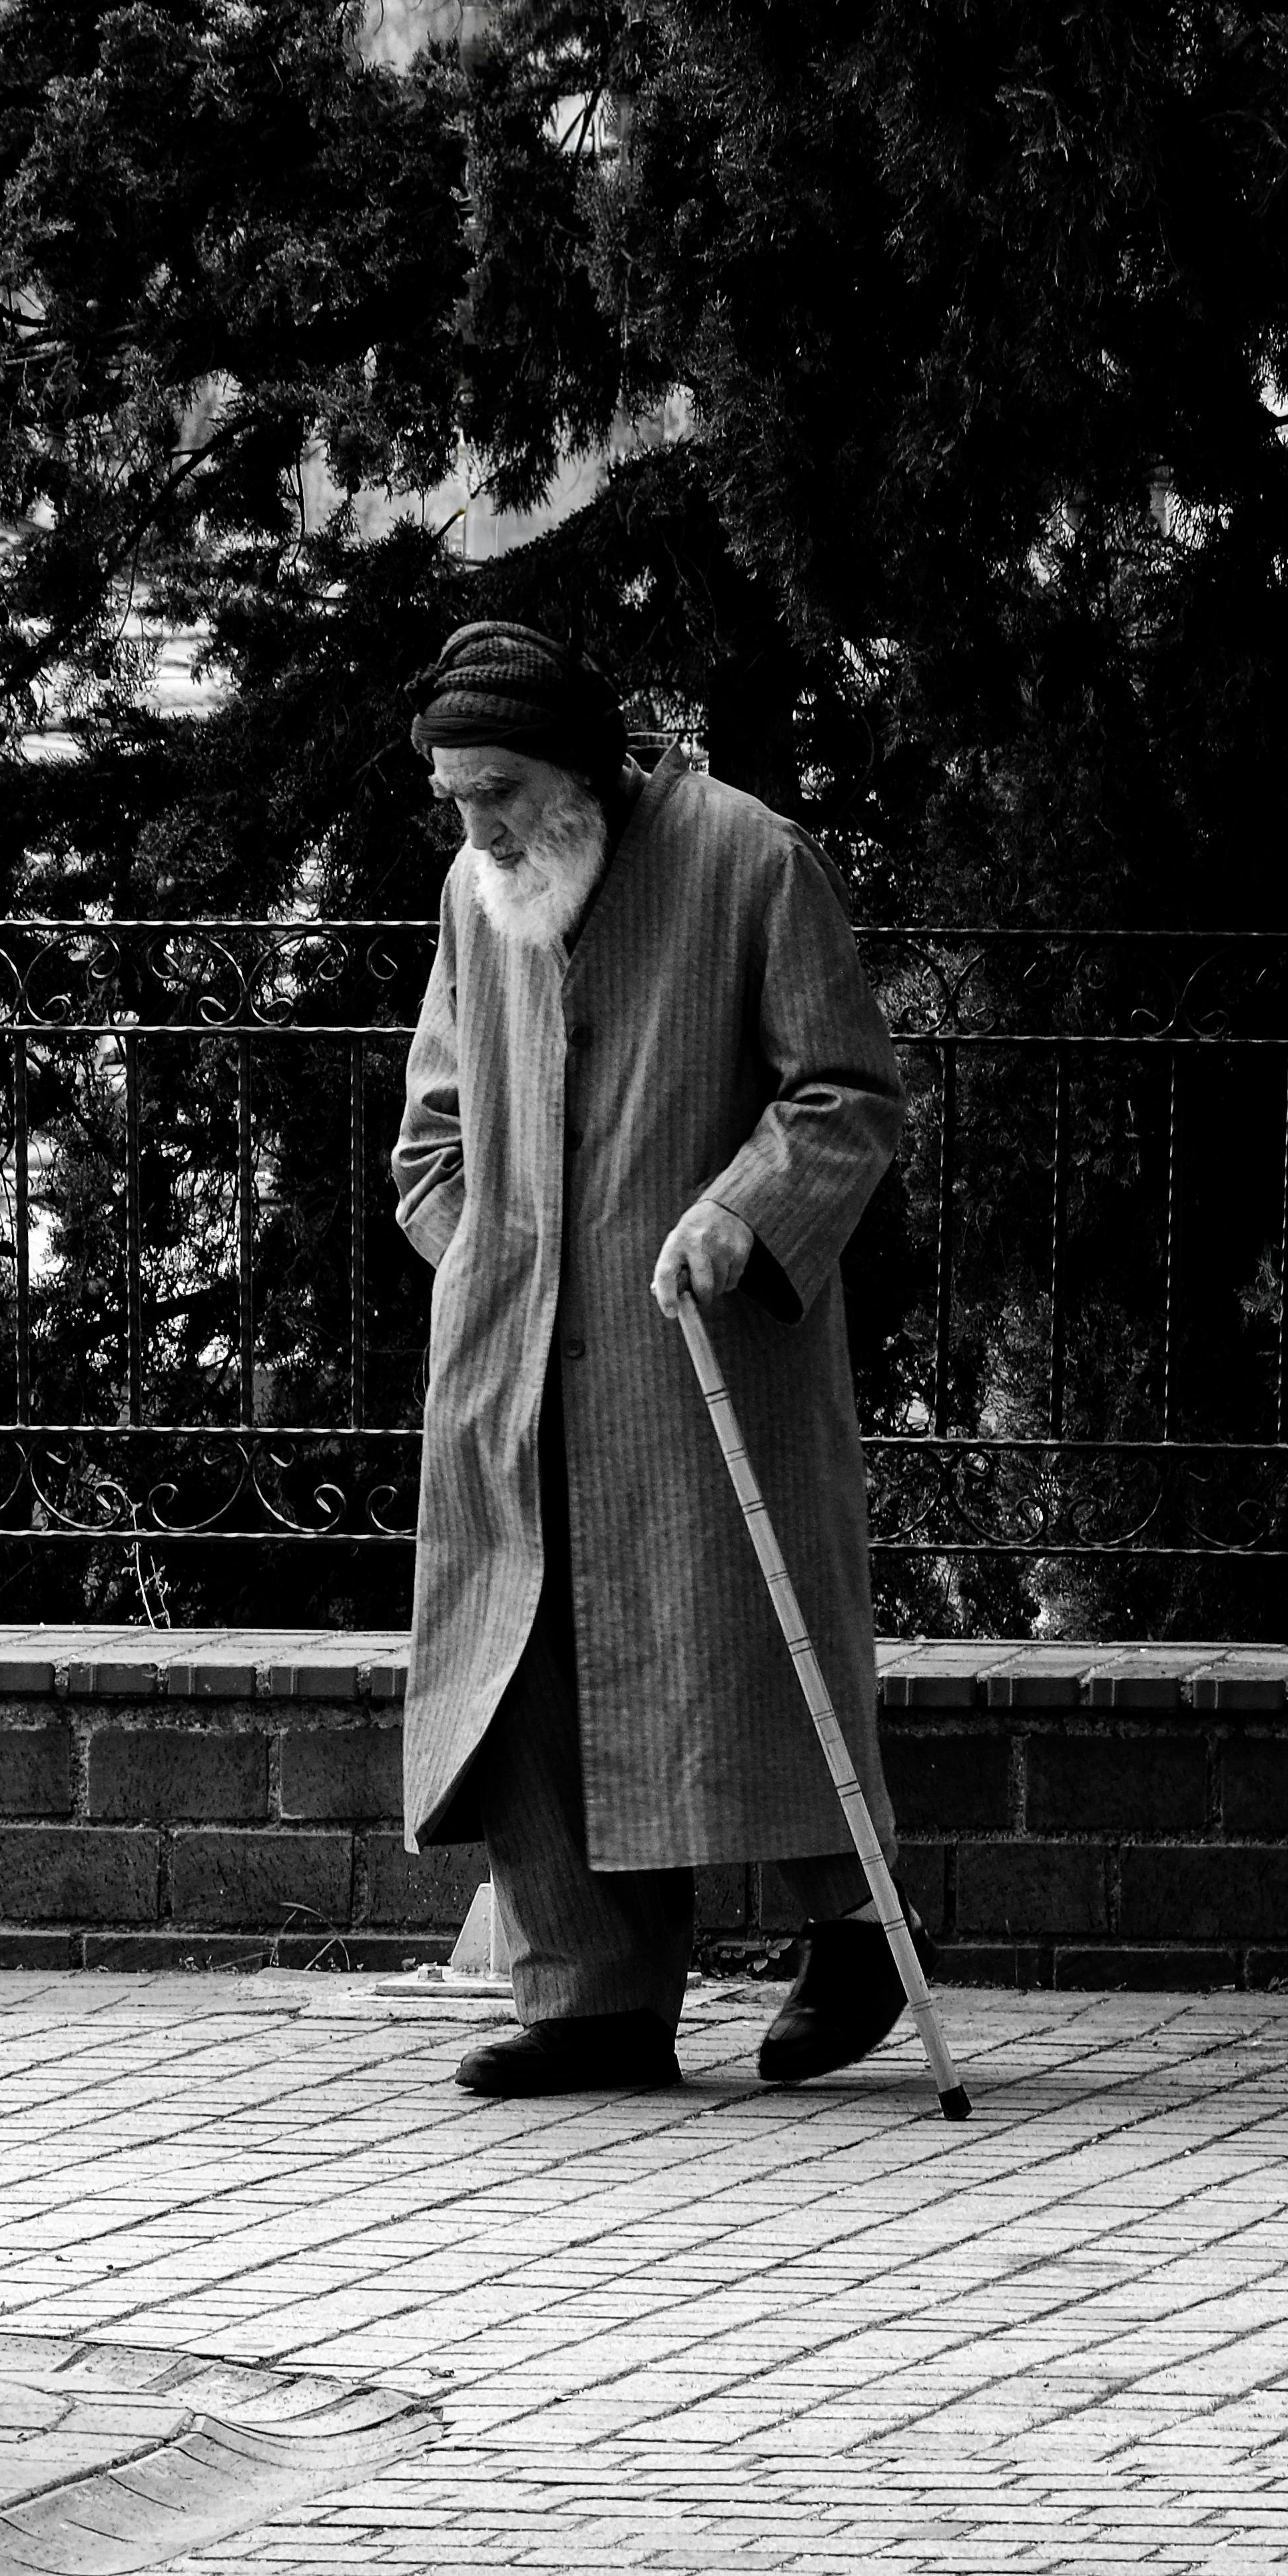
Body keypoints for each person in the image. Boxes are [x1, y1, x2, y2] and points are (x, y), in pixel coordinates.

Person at [392, 616, 919, 2099]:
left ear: (575, 767)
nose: (478, 825)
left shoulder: (748, 859)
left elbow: (844, 1094)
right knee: (526, 1665)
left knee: (743, 1638)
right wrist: (487, 1262)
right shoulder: (468, 893)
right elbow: (428, 1139)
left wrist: (741, 1212)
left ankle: (858, 1932)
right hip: (516, 1361)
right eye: (455, 797)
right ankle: (593, 2004)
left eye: (498, 789)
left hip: (707, 1347)